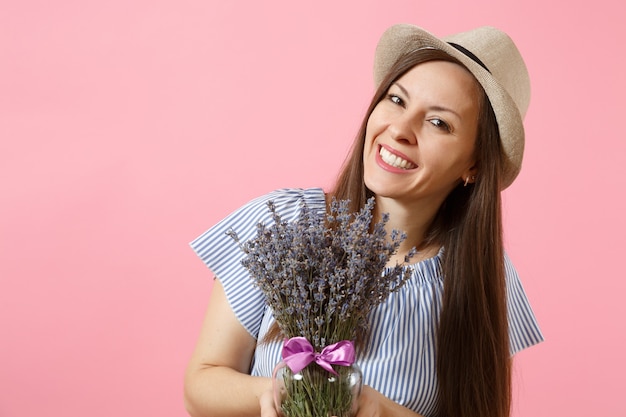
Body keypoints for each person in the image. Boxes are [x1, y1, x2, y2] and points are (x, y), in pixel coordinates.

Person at [184, 23, 543, 417]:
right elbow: (202, 383)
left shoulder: (483, 277)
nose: (401, 130)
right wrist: (276, 393)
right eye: (397, 100)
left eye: (438, 122)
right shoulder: (284, 226)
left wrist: (382, 411)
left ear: (473, 164)